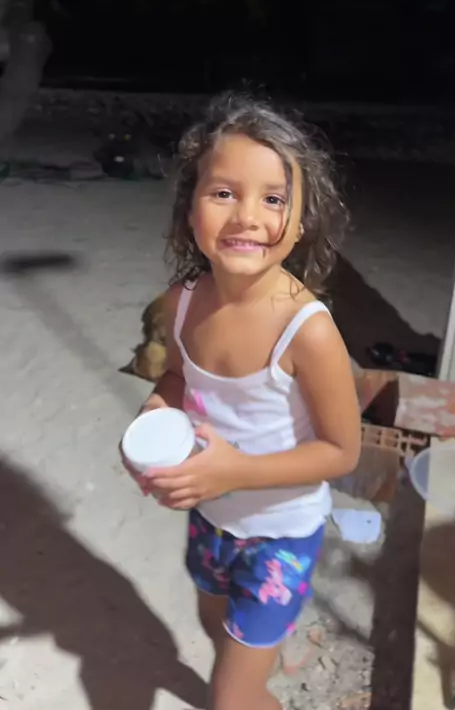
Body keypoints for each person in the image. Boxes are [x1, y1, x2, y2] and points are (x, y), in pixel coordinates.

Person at [124, 92, 361, 710]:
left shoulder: (307, 331)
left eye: (274, 199)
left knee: (232, 697)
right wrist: (155, 414)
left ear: (302, 222)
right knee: (215, 631)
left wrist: (234, 471)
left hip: (282, 535)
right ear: (190, 210)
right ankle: (254, 666)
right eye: (224, 192)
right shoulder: (181, 303)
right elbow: (178, 378)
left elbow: (342, 452)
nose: (247, 216)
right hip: (211, 520)